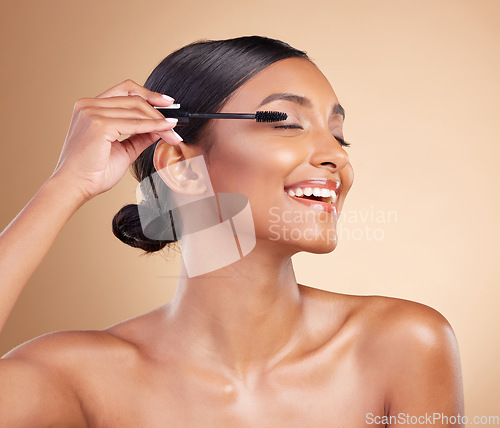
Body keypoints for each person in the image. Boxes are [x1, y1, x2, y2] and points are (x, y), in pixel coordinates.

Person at [0, 36, 464, 427]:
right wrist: (66, 185)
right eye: (285, 122)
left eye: (339, 135)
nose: (335, 155)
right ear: (182, 168)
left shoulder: (403, 345)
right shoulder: (74, 378)